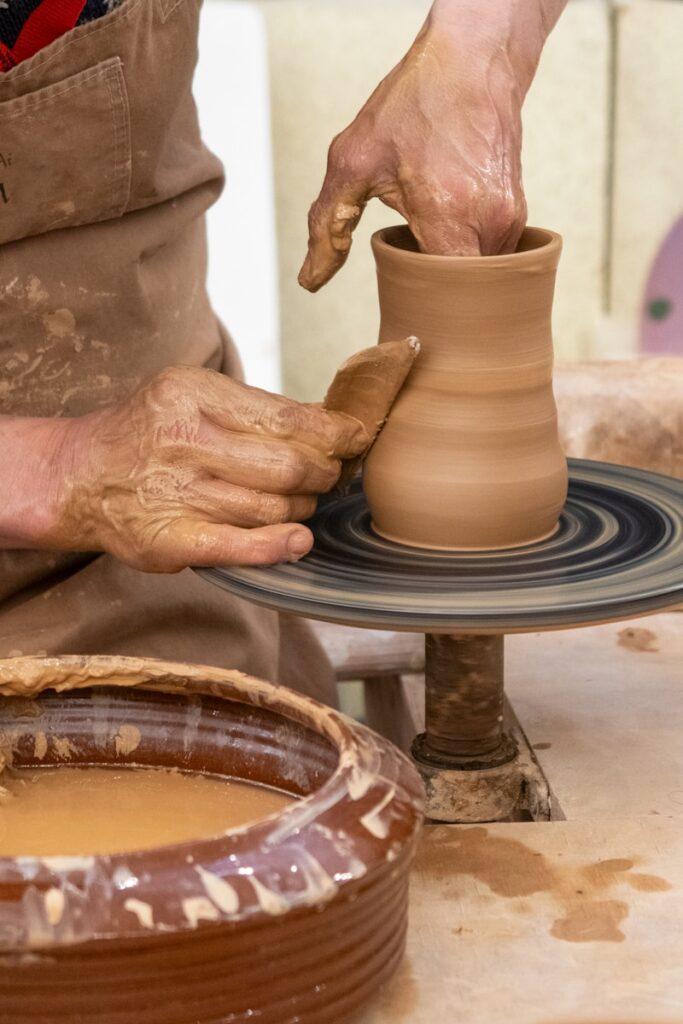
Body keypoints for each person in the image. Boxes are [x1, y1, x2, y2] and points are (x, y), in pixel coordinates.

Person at [0, 0, 567, 702]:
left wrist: (479, 50)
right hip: (55, 501)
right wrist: (57, 468)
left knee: (297, 776)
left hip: (166, 513)